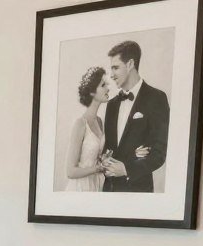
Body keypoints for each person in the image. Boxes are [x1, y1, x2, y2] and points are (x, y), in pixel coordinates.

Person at [100, 40, 169, 192]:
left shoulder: (156, 98)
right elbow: (109, 148)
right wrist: (104, 160)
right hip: (109, 191)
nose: (112, 75)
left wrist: (127, 169)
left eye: (115, 68)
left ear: (130, 64)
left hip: (139, 192)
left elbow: (159, 153)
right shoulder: (111, 104)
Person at [64, 66, 111, 192]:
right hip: (80, 187)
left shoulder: (100, 121)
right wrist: (97, 169)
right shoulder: (80, 124)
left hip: (96, 185)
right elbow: (70, 172)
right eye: (103, 85)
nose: (108, 88)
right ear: (92, 92)